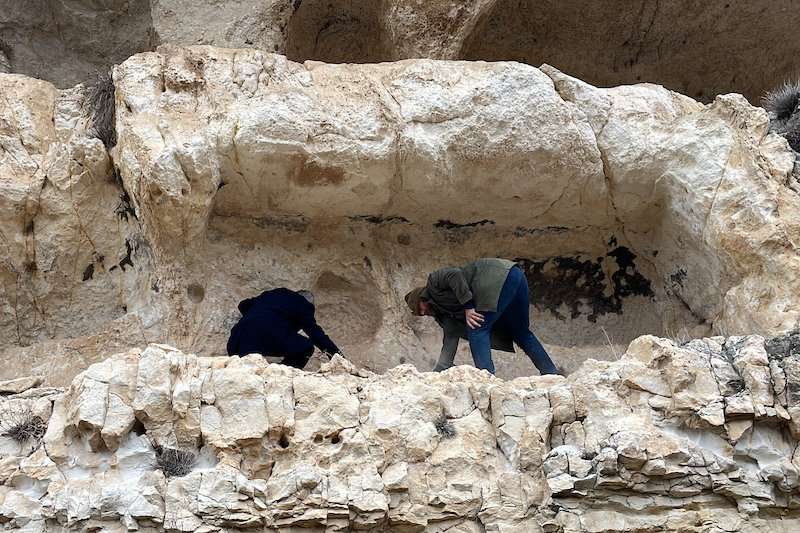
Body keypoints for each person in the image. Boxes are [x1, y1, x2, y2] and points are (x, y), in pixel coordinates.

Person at [405, 258, 558, 375]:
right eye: (420, 314)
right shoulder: (445, 315)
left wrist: (468, 307)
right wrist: (440, 369)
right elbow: (450, 341)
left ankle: (486, 380)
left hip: (497, 277)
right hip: (515, 275)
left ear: (422, 299)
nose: (424, 313)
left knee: (476, 328)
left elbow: (454, 274)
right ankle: (552, 374)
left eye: (421, 309)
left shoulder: (434, 282)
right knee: (521, 334)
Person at [227, 288, 343, 369]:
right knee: (305, 347)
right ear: (308, 302)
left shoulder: (275, 293)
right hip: (265, 336)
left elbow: (243, 305)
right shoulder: (303, 304)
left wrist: (256, 319)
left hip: (237, 340)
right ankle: (281, 373)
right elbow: (316, 335)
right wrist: (339, 358)